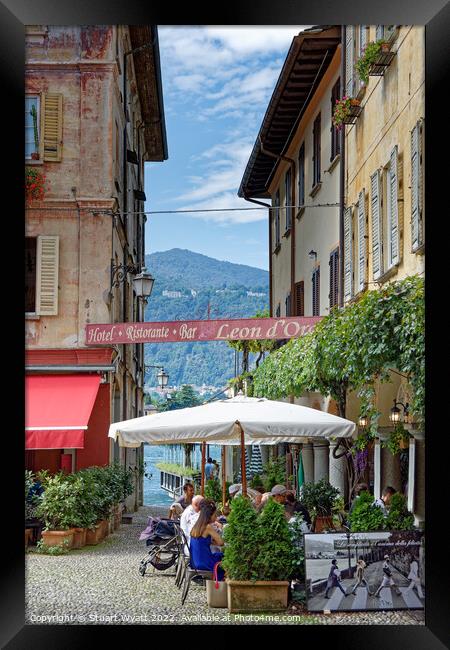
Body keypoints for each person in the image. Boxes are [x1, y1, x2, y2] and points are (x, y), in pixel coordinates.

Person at [189, 499, 225, 580]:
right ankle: (222, 584)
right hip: (204, 563)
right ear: (209, 515)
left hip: (194, 562)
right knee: (225, 558)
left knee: (219, 555)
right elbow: (221, 542)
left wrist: (211, 541)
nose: (216, 518)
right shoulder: (208, 527)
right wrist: (220, 527)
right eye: (215, 515)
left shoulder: (197, 526)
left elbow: (202, 541)